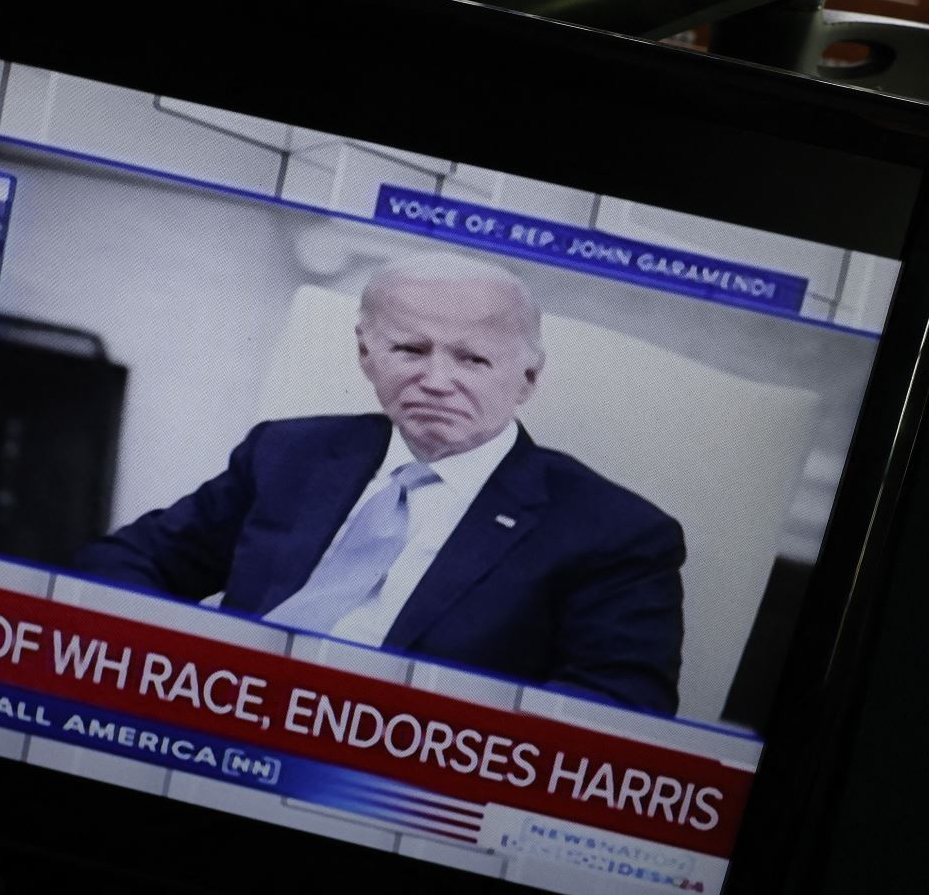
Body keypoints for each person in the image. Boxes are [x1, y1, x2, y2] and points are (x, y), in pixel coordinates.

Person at [76, 252, 686, 715]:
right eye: (409, 350)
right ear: (367, 356)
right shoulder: (289, 452)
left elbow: (618, 711)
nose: (437, 381)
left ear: (527, 377)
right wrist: (181, 670)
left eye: (473, 359)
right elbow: (127, 560)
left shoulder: (614, 533)